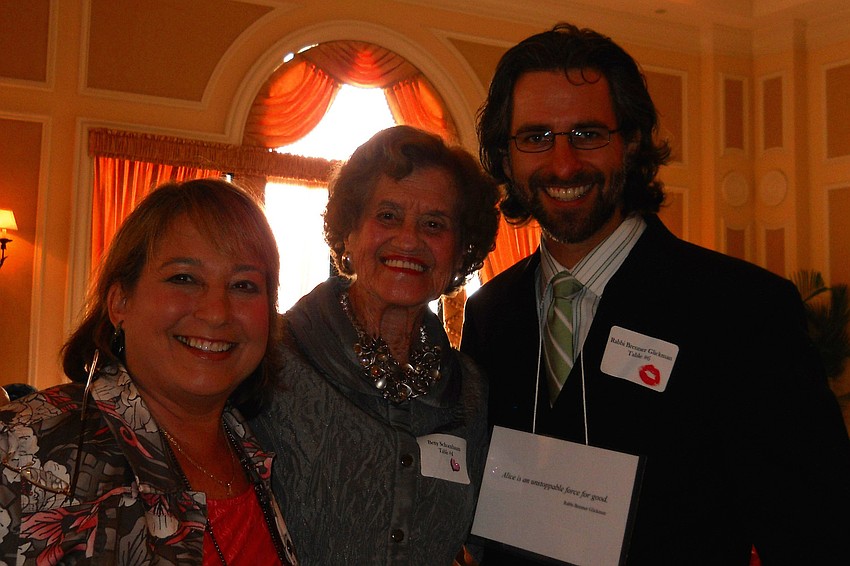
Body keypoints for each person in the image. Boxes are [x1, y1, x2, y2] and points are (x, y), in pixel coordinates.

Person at [461, 22, 850, 565]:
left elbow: (819, 535)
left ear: (632, 142)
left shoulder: (743, 311)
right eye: (536, 137)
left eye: (588, 134)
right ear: (506, 157)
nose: (564, 163)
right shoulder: (490, 314)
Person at [0, 179, 298, 565]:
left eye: (244, 285)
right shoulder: (23, 451)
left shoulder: (263, 449)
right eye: (184, 278)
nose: (217, 312)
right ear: (120, 302)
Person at [250, 125, 500, 565]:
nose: (409, 239)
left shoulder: (471, 391)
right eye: (387, 215)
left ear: (461, 251)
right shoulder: (271, 358)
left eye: (434, 224)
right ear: (349, 233)